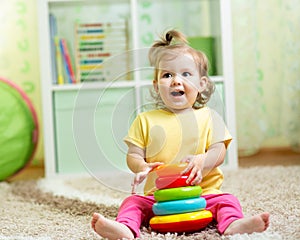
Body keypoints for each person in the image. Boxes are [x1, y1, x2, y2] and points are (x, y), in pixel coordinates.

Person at [91, 29, 269, 239]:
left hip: (203, 194)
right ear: (157, 87)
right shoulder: (144, 120)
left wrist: (203, 160)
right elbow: (134, 154)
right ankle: (126, 228)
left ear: (201, 84)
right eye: (168, 75)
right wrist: (141, 166)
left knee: (228, 200)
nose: (176, 81)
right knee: (132, 203)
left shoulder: (210, 117)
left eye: (186, 74)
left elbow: (219, 151)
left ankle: (233, 224)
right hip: (160, 199)